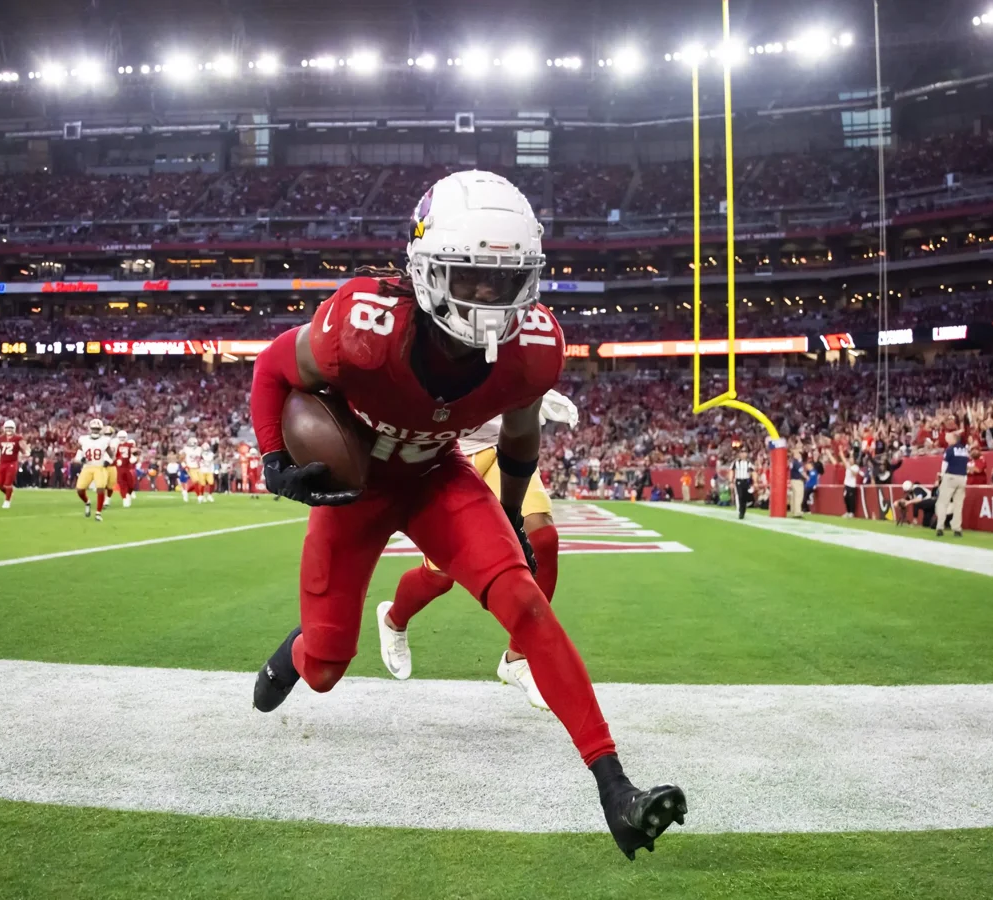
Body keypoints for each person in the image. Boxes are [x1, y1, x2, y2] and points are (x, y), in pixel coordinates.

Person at [247, 170, 684, 861]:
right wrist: (274, 459)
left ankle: (615, 789)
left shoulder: (532, 348)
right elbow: (273, 366)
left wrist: (508, 512)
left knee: (524, 599)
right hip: (357, 489)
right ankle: (303, 647)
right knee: (328, 665)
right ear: (425, 269)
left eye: (503, 280)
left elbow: (519, 433)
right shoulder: (363, 326)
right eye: (470, 275)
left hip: (435, 476)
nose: (487, 297)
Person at [376, 389, 578, 709]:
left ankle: (518, 658)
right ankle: (393, 620)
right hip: (446, 455)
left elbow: (512, 363)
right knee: (440, 576)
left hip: (501, 444)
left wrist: (534, 389)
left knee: (542, 537)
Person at [75, 418, 112, 522]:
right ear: (90, 429)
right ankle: (87, 502)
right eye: (94, 428)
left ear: (100, 429)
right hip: (87, 467)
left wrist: (108, 461)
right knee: (80, 490)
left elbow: (111, 454)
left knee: (100, 488)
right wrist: (80, 458)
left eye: (97, 429)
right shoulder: (83, 439)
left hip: (99, 467)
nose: (95, 430)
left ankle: (98, 513)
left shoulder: (105, 440)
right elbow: (78, 452)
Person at [935, 432, 970, 537]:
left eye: (949, 438)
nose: (947, 439)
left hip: (950, 476)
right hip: (962, 478)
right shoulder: (965, 450)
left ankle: (940, 527)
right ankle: (957, 528)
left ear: (954, 439)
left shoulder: (950, 449)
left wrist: (942, 476)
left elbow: (945, 463)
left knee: (943, 502)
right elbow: (967, 464)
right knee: (958, 505)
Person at [0, 420, 30, 509]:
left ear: (14, 429)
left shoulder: (18, 438)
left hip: (12, 462)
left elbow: (24, 447)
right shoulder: (0, 438)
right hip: (2, 462)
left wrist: (26, 451)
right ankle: (9, 493)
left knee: (8, 483)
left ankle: (7, 501)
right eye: (7, 428)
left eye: (10, 428)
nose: (9, 430)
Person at [114, 429, 139, 507]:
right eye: (120, 437)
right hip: (119, 468)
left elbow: (135, 453)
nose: (121, 439)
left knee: (130, 484)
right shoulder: (115, 445)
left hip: (128, 467)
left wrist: (134, 457)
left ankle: (129, 493)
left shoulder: (129, 445)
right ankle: (125, 498)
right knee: (121, 484)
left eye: (123, 437)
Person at [732, 446, 753, 519]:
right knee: (740, 495)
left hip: (746, 481)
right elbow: (732, 471)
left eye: (745, 452)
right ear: (739, 454)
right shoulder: (736, 463)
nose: (743, 454)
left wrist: (754, 481)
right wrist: (730, 481)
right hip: (738, 480)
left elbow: (752, 472)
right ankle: (741, 511)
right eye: (742, 452)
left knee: (744, 497)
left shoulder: (749, 463)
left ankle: (743, 510)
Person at [103, 425, 118, 510]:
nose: (107, 436)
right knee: (102, 484)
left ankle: (108, 499)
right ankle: (103, 500)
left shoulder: (116, 441)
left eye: (109, 434)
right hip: (102, 466)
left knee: (110, 485)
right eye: (106, 434)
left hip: (112, 466)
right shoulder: (100, 442)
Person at [788, 452, 805, 519]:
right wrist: (807, 477)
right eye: (798, 454)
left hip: (793, 480)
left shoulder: (792, 462)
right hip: (797, 480)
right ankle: (797, 512)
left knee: (794, 496)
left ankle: (793, 511)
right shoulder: (797, 463)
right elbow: (801, 471)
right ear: (795, 455)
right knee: (798, 496)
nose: (800, 455)